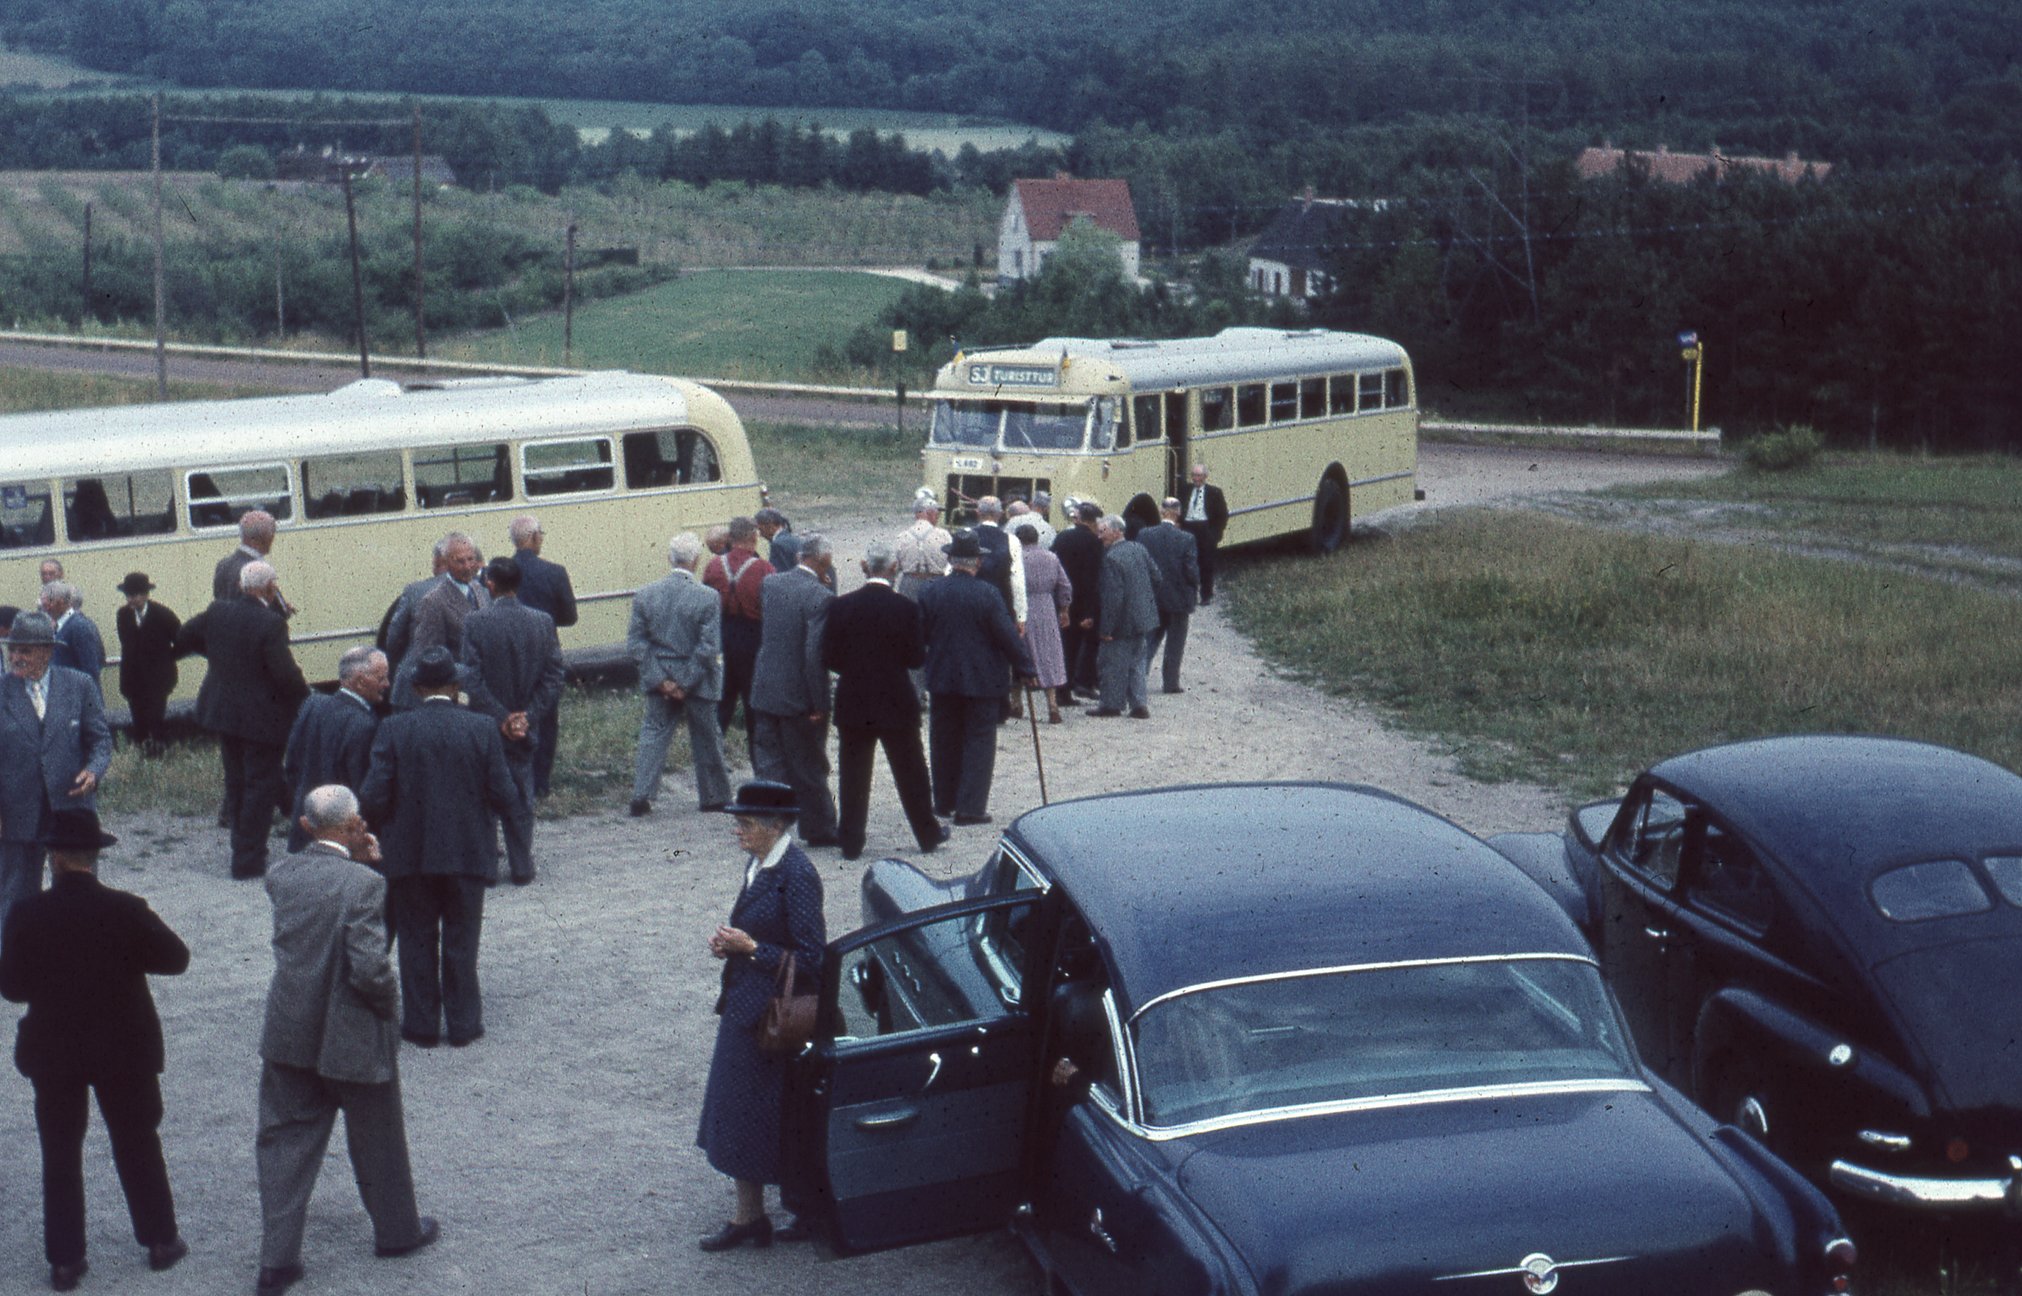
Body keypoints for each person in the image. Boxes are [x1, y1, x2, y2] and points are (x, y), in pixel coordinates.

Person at [254, 785, 438, 1296]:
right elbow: (370, 968)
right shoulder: (364, 885)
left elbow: (317, 892)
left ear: (307, 826)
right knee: (379, 1138)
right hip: (352, 1034)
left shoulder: (281, 874)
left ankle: (277, 1260)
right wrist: (388, 1008)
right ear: (354, 825)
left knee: (284, 1143)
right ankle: (397, 1231)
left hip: (289, 1031)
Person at [0, 808, 188, 1292]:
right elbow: (176, 959)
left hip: (55, 1052)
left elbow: (14, 988)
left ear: (53, 857)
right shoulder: (126, 909)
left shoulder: (26, 914)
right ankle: (161, 1241)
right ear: (94, 857)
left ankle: (65, 1260)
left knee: (60, 1152)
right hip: (124, 1049)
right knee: (137, 1140)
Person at [360, 648, 518, 1049]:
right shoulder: (482, 728)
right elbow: (505, 794)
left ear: (414, 688)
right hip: (467, 853)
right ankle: (464, 1024)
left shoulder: (394, 729)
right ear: (456, 685)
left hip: (409, 855)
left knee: (415, 939)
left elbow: (374, 796)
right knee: (462, 940)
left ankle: (422, 1025)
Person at [696, 781, 825, 1252]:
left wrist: (752, 949)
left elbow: (812, 958)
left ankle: (788, 1213)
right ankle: (749, 1216)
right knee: (737, 1115)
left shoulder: (797, 874)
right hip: (746, 1008)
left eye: (746, 823)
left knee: (768, 1118)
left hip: (772, 1017)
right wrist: (732, 947)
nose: (738, 830)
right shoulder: (761, 864)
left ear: (776, 826)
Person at [177, 561, 309, 879]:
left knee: (237, 782)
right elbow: (283, 673)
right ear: (268, 587)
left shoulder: (218, 611)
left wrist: (218, 656)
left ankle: (243, 847)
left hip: (223, 711)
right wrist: (306, 700)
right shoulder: (271, 624)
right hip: (262, 718)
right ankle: (248, 860)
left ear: (240, 585)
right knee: (259, 786)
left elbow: (184, 636)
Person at [821, 542, 947, 861]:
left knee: (853, 773)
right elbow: (916, 658)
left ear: (864, 566)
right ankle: (927, 833)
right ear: (893, 569)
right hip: (895, 699)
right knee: (911, 771)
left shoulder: (840, 606)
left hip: (854, 699)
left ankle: (850, 840)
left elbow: (830, 657)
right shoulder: (906, 608)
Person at [0, 613, 111, 953]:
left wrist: (94, 770)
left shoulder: (79, 685)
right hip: (16, 808)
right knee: (16, 889)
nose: (16, 657)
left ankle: (81, 951)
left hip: (71, 805)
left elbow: (100, 739)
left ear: (47, 652)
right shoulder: (2, 691)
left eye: (26, 651)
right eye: (12, 649)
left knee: (79, 885)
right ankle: (15, 956)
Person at [917, 532, 1037, 826]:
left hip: (943, 676)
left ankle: (944, 801)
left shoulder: (931, 591)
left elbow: (921, 634)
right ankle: (970, 807)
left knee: (943, 738)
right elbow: (1007, 636)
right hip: (982, 679)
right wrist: (1026, 668)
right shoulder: (987, 593)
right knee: (979, 740)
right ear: (978, 562)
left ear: (950, 559)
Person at [458, 558, 565, 885]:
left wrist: (501, 716)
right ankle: (521, 864)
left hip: (487, 726)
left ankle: (487, 866)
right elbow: (554, 675)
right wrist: (527, 717)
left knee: (485, 795)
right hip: (524, 727)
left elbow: (471, 680)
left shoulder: (474, 623)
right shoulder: (542, 621)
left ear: (489, 583)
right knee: (521, 795)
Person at [627, 533, 732, 818]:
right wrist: (685, 681)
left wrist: (662, 680)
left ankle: (642, 794)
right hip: (697, 678)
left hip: (659, 675)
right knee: (707, 736)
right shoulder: (708, 597)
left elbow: (636, 644)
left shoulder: (645, 595)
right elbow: (709, 647)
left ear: (669, 558)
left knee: (654, 734)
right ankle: (714, 796)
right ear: (696, 561)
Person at [748, 534, 839, 846]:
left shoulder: (772, 584)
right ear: (824, 561)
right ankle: (819, 828)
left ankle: (765, 826)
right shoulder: (819, 595)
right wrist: (819, 701)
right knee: (808, 765)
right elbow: (813, 655)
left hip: (766, 686)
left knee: (769, 762)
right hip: (798, 694)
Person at [281, 646, 388, 853]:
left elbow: (292, 764)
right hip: (340, 842)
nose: (387, 684)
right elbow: (363, 790)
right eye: (381, 678)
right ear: (360, 680)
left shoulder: (313, 705)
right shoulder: (365, 725)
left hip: (304, 829)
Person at [507, 515, 578, 798]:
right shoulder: (555, 572)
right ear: (535, 537)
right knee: (546, 715)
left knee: (511, 710)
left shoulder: (501, 571)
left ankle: (515, 776)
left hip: (510, 651)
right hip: (545, 651)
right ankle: (540, 783)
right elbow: (569, 617)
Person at [390, 532, 486, 710]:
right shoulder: (433, 600)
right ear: (446, 563)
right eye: (460, 561)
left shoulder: (479, 589)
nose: (467, 567)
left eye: (471, 559)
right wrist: (470, 674)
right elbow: (428, 653)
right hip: (432, 696)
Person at [702, 516, 773, 744]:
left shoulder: (713, 566)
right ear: (754, 537)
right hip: (753, 640)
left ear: (730, 538)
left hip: (722, 637)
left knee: (721, 703)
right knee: (755, 707)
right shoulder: (764, 569)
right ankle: (760, 766)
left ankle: (713, 764)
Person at [1092, 515, 1162, 720]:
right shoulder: (1139, 549)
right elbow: (1157, 577)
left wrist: (1106, 629)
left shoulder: (1111, 558)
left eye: (1103, 531)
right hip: (1143, 618)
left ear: (1117, 531)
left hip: (1122, 621)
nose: (1099, 536)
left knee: (1111, 663)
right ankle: (1139, 704)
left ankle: (1111, 705)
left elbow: (1112, 598)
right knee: (1137, 662)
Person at [1136, 499, 1201, 695]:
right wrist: (1195, 584)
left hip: (1153, 596)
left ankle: (1139, 677)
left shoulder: (1144, 535)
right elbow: (1191, 570)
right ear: (1178, 512)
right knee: (1175, 643)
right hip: (1179, 598)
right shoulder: (1186, 538)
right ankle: (1170, 683)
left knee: (1149, 639)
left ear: (1161, 511)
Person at [113, 573, 180, 755]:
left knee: (156, 718)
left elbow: (180, 639)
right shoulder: (123, 615)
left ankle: (159, 751)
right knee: (138, 720)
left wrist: (166, 660)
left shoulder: (163, 614)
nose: (130, 600)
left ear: (145, 594)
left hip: (158, 679)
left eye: (134, 595)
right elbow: (127, 643)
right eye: (127, 595)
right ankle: (143, 751)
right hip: (133, 679)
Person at [1013, 525, 1073, 724]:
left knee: (1021, 653)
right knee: (1048, 654)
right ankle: (1052, 706)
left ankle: (1017, 702)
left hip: (1023, 607)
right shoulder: (1051, 557)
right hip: (1046, 607)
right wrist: (1064, 609)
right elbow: (1065, 585)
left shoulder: (1016, 559)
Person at [1050, 502, 1104, 707]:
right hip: (1083, 603)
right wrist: (1089, 611)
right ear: (1093, 521)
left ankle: (1060, 687)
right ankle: (1073, 687)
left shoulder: (1062, 537)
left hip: (1061, 599)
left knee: (1063, 646)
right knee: (1078, 648)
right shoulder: (1094, 543)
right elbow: (1093, 579)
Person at [379, 541, 451, 675]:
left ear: (436, 562)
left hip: (422, 671)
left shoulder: (414, 591)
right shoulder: (479, 590)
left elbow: (394, 636)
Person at [215, 510, 293, 617]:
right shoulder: (258, 569)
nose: (272, 538)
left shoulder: (223, 564)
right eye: (271, 534)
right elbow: (277, 610)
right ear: (260, 539)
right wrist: (284, 609)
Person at [970, 496, 1028, 627]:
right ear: (1001, 514)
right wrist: (1020, 617)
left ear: (977, 512)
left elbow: (951, 572)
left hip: (969, 605)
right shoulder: (1012, 540)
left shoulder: (966, 535)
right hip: (1001, 606)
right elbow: (1017, 581)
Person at [42, 582, 105, 701]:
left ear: (61, 602)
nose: (46, 610)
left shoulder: (79, 626)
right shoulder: (61, 626)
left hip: (79, 702)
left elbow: (91, 670)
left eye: (48, 604)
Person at [1180, 464, 1230, 604]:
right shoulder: (1185, 490)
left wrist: (1215, 534)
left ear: (1205, 477)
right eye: (1194, 475)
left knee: (1206, 563)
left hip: (1205, 529)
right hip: (1188, 527)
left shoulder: (1215, 492)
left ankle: (1206, 595)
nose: (1196, 479)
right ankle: (1190, 595)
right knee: (1188, 563)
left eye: (1199, 476)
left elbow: (1222, 515)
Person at [892, 494, 952, 601]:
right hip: (936, 583)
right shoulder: (944, 535)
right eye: (937, 513)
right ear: (929, 513)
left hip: (909, 582)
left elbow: (894, 568)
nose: (938, 516)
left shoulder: (902, 537)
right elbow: (951, 564)